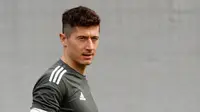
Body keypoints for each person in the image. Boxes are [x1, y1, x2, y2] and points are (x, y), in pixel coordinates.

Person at [30, 6, 101, 112]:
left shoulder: (77, 79)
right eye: (82, 38)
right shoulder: (53, 82)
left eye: (94, 39)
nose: (90, 47)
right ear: (64, 39)